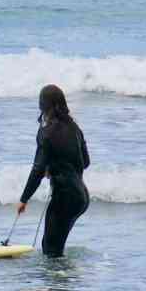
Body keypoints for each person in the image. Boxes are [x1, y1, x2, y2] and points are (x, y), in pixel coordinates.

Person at [17, 84, 90, 257]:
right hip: (82, 197)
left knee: (50, 250)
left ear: (43, 106)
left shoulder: (45, 133)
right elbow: (85, 162)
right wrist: (55, 166)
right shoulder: (75, 128)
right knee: (55, 247)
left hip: (64, 199)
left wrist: (24, 199)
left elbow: (37, 169)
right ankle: (64, 281)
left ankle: (58, 283)